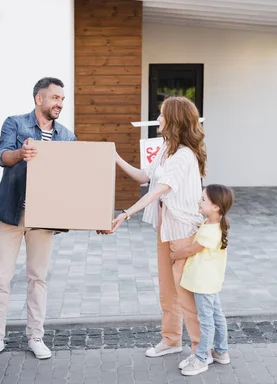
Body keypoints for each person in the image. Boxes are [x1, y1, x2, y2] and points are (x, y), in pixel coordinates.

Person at [0, 77, 77, 364]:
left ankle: (35, 336)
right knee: (1, 278)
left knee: (38, 278)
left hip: (43, 218)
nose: (59, 103)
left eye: (62, 99)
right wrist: (21, 154)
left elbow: (72, 176)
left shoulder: (66, 136)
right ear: (39, 99)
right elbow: (3, 157)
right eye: (55, 98)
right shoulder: (15, 124)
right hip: (10, 213)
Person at [107, 96, 206, 359]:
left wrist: (125, 214)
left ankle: (200, 350)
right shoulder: (166, 149)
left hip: (183, 232)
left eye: (162, 115)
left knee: (186, 295)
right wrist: (115, 157)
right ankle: (171, 340)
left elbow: (159, 190)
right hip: (165, 229)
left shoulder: (184, 155)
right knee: (167, 291)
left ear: (174, 120)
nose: (158, 119)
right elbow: (144, 176)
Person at [172, 184, 234, 376]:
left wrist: (174, 255)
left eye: (203, 200)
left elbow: (192, 250)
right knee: (216, 316)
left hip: (203, 282)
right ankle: (221, 352)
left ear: (216, 206)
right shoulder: (214, 223)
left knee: (206, 320)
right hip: (210, 281)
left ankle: (201, 359)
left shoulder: (210, 230)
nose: (199, 201)